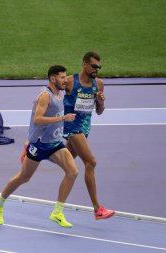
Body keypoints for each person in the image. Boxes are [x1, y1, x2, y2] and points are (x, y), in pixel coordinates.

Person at [0, 65, 78, 228]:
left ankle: (57, 212)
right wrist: (62, 119)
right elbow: (38, 119)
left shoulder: (59, 94)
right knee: (24, 177)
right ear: (52, 78)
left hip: (55, 143)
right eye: (61, 77)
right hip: (39, 144)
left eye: (65, 77)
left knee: (73, 172)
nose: (65, 80)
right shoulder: (45, 95)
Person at [63, 51, 115, 220]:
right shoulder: (70, 81)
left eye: (99, 67)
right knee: (91, 162)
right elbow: (53, 91)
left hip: (85, 129)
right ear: (84, 64)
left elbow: (99, 112)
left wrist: (100, 101)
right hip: (72, 127)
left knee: (63, 158)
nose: (97, 69)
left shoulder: (98, 84)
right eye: (94, 66)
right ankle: (97, 209)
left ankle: (33, 149)